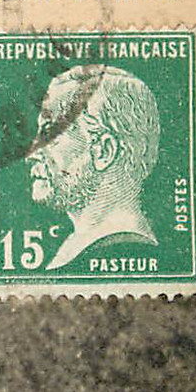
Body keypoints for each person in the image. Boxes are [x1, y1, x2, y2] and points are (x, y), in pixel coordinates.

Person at [26, 65, 162, 270]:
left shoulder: (120, 248)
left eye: (51, 135)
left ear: (103, 151)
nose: (32, 154)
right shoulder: (76, 248)